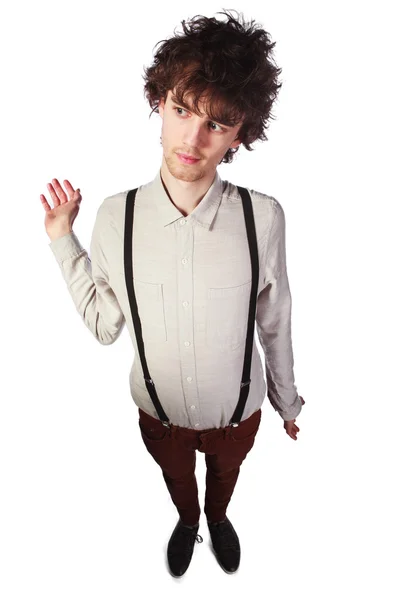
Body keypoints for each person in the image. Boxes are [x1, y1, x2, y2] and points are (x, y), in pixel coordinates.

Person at [40, 9, 305, 578]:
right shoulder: (117, 217)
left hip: (240, 416)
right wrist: (63, 239)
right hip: (158, 416)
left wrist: (286, 400)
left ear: (240, 135)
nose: (193, 138)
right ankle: (189, 520)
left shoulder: (264, 217)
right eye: (182, 109)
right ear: (159, 103)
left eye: (218, 123)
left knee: (225, 478)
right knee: (176, 479)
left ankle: (219, 515)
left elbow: (275, 320)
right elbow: (106, 325)